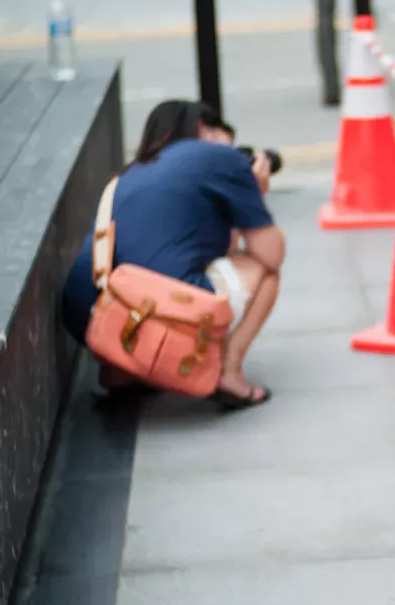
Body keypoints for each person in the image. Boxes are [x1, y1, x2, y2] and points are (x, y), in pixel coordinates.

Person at [62, 101, 285, 408]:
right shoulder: (220, 157)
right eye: (228, 139)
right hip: (156, 311)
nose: (235, 152)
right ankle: (229, 374)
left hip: (88, 317)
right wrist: (254, 188)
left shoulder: (130, 175)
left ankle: (119, 372)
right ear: (203, 128)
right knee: (266, 274)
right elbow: (271, 254)